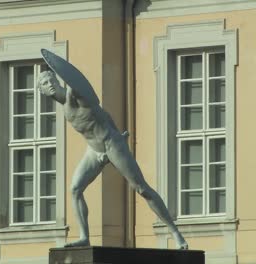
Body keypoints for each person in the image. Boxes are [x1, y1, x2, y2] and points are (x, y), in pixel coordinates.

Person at [36, 70, 188, 249]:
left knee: (141, 188)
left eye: (51, 80)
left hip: (111, 145)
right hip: (94, 151)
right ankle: (84, 237)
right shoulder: (65, 109)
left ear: (57, 80)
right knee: (75, 189)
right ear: (42, 92)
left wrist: (117, 137)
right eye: (45, 84)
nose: (50, 84)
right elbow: (103, 116)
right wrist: (116, 130)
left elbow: (94, 103)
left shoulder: (74, 94)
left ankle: (176, 234)